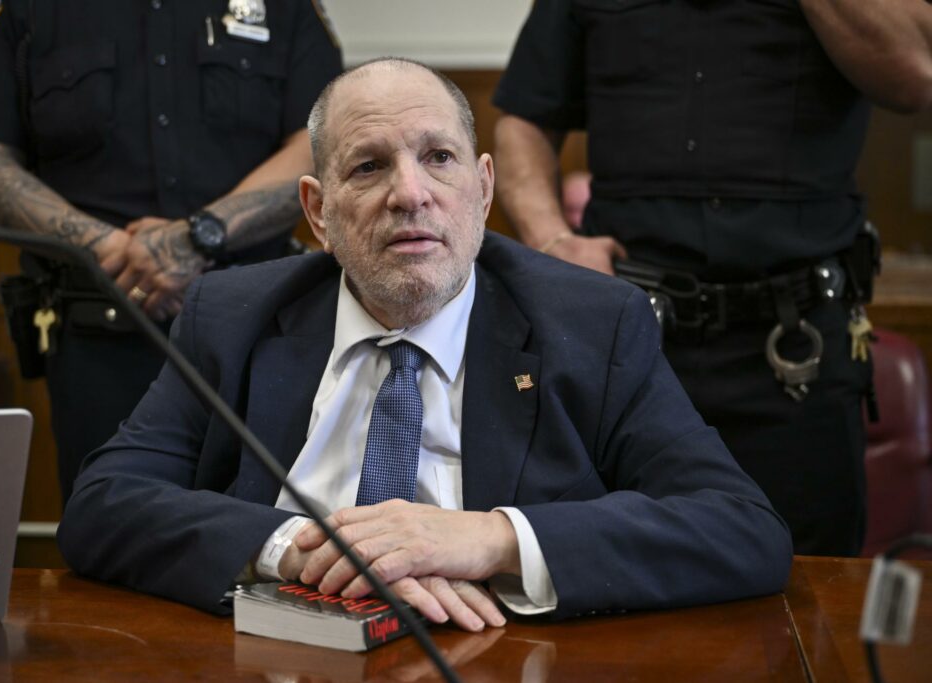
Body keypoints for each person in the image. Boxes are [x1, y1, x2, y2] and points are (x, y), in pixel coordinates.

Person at [57, 58, 792, 629]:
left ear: (483, 189)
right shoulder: (231, 315)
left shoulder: (594, 324)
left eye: (438, 157)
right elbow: (102, 504)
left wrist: (490, 539)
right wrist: (302, 550)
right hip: (277, 651)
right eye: (369, 165)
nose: (410, 193)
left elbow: (741, 528)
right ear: (318, 212)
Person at [492, 0, 932, 557]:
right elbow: (524, 120)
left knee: (807, 580)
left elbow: (915, 73)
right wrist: (553, 240)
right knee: (610, 566)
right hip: (628, 347)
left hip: (795, 354)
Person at [0, 0, 342, 501]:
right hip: (95, 333)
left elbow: (321, 147)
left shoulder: (287, 7)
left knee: (268, 524)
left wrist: (198, 236)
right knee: (108, 521)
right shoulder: (22, 8)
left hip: (259, 333)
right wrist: (103, 246)